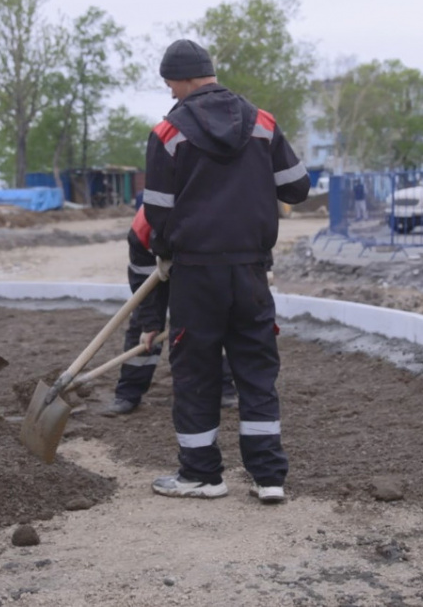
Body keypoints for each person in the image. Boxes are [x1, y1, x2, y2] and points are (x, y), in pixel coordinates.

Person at [143, 39, 310, 503]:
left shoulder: (167, 133)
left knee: (196, 371)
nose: (171, 93)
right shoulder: (263, 122)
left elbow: (157, 211)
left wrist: (166, 250)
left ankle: (202, 475)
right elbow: (297, 188)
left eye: (170, 84)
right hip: (252, 272)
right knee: (256, 369)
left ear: (181, 78)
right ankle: (269, 477)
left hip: (195, 274)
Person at [102, 207, 238, 416]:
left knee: (211, 321)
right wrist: (150, 323)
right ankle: (128, 393)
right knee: (142, 327)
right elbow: (141, 281)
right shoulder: (143, 229)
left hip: (200, 265)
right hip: (156, 267)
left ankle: (223, 388)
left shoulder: (213, 220)